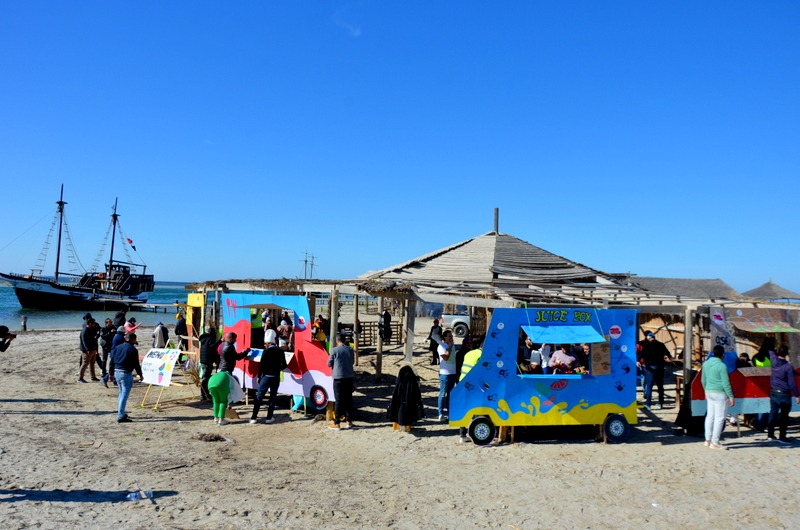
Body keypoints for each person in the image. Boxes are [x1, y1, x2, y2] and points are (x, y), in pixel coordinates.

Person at [701, 345, 735, 450]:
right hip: (720, 393)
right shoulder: (722, 366)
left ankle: (707, 439)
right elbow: (726, 383)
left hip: (709, 391)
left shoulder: (706, 364)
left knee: (710, 416)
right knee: (719, 418)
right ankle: (715, 442)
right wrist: (731, 396)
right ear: (722, 355)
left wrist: (705, 390)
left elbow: (703, 380)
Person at [767, 345, 800, 444]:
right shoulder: (788, 366)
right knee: (784, 416)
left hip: (773, 391)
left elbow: (770, 350)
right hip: (784, 394)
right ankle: (782, 437)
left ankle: (770, 434)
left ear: (777, 352)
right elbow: (792, 383)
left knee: (773, 413)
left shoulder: (774, 361)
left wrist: (770, 339)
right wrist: (797, 395)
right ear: (787, 354)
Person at [250, 340, 288, 424]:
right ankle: (269, 417)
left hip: (266, 376)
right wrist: (278, 369)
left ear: (268, 343)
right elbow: (285, 365)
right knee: (272, 397)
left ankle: (254, 417)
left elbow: (261, 365)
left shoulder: (266, 351)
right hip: (275, 377)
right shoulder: (280, 351)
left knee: (259, 397)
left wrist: (259, 376)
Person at [108, 332, 143, 423]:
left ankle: (121, 412)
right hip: (125, 373)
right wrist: (140, 374)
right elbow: (136, 364)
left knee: (121, 393)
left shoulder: (117, 347)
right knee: (124, 395)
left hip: (116, 372)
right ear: (132, 339)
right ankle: (120, 415)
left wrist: (111, 373)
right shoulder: (133, 349)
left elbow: (112, 361)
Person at [327, 332, 356, 429]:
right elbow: (352, 362)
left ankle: (337, 422)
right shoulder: (350, 350)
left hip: (338, 378)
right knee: (348, 399)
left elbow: (329, 363)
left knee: (339, 400)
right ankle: (349, 421)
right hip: (349, 377)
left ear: (337, 340)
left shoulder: (334, 350)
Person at [637, 331, 672, 410]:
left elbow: (642, 354)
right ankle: (660, 403)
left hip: (650, 368)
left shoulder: (647, 345)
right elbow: (668, 354)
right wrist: (666, 357)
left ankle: (648, 405)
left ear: (648, 338)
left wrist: (638, 360)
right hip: (660, 367)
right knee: (660, 386)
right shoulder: (661, 344)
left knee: (649, 386)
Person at [387, 363, 424, 431]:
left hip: (400, 401)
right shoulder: (413, 382)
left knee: (399, 408)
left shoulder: (399, 383)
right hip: (409, 400)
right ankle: (407, 426)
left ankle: (398, 426)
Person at [437, 329, 457, 422]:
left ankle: (450, 413)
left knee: (450, 394)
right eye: (449, 336)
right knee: (442, 394)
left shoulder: (453, 346)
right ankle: (440, 413)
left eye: (451, 336)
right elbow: (446, 357)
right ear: (444, 337)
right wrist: (449, 347)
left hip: (452, 373)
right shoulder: (441, 346)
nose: (451, 338)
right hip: (445, 374)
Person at [198, 325, 219, 401]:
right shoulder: (210, 339)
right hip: (207, 361)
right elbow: (212, 348)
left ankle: (205, 394)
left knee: (206, 377)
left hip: (204, 360)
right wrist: (219, 342)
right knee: (206, 378)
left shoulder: (204, 339)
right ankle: (203, 395)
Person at [78, 318, 100, 383]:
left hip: (93, 349)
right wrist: (87, 349)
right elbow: (84, 341)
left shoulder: (92, 330)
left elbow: (94, 339)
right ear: (89, 323)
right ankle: (80, 378)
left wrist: (96, 349)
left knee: (92, 363)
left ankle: (93, 377)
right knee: (85, 363)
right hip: (87, 350)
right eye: (93, 323)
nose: (94, 324)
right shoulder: (85, 331)